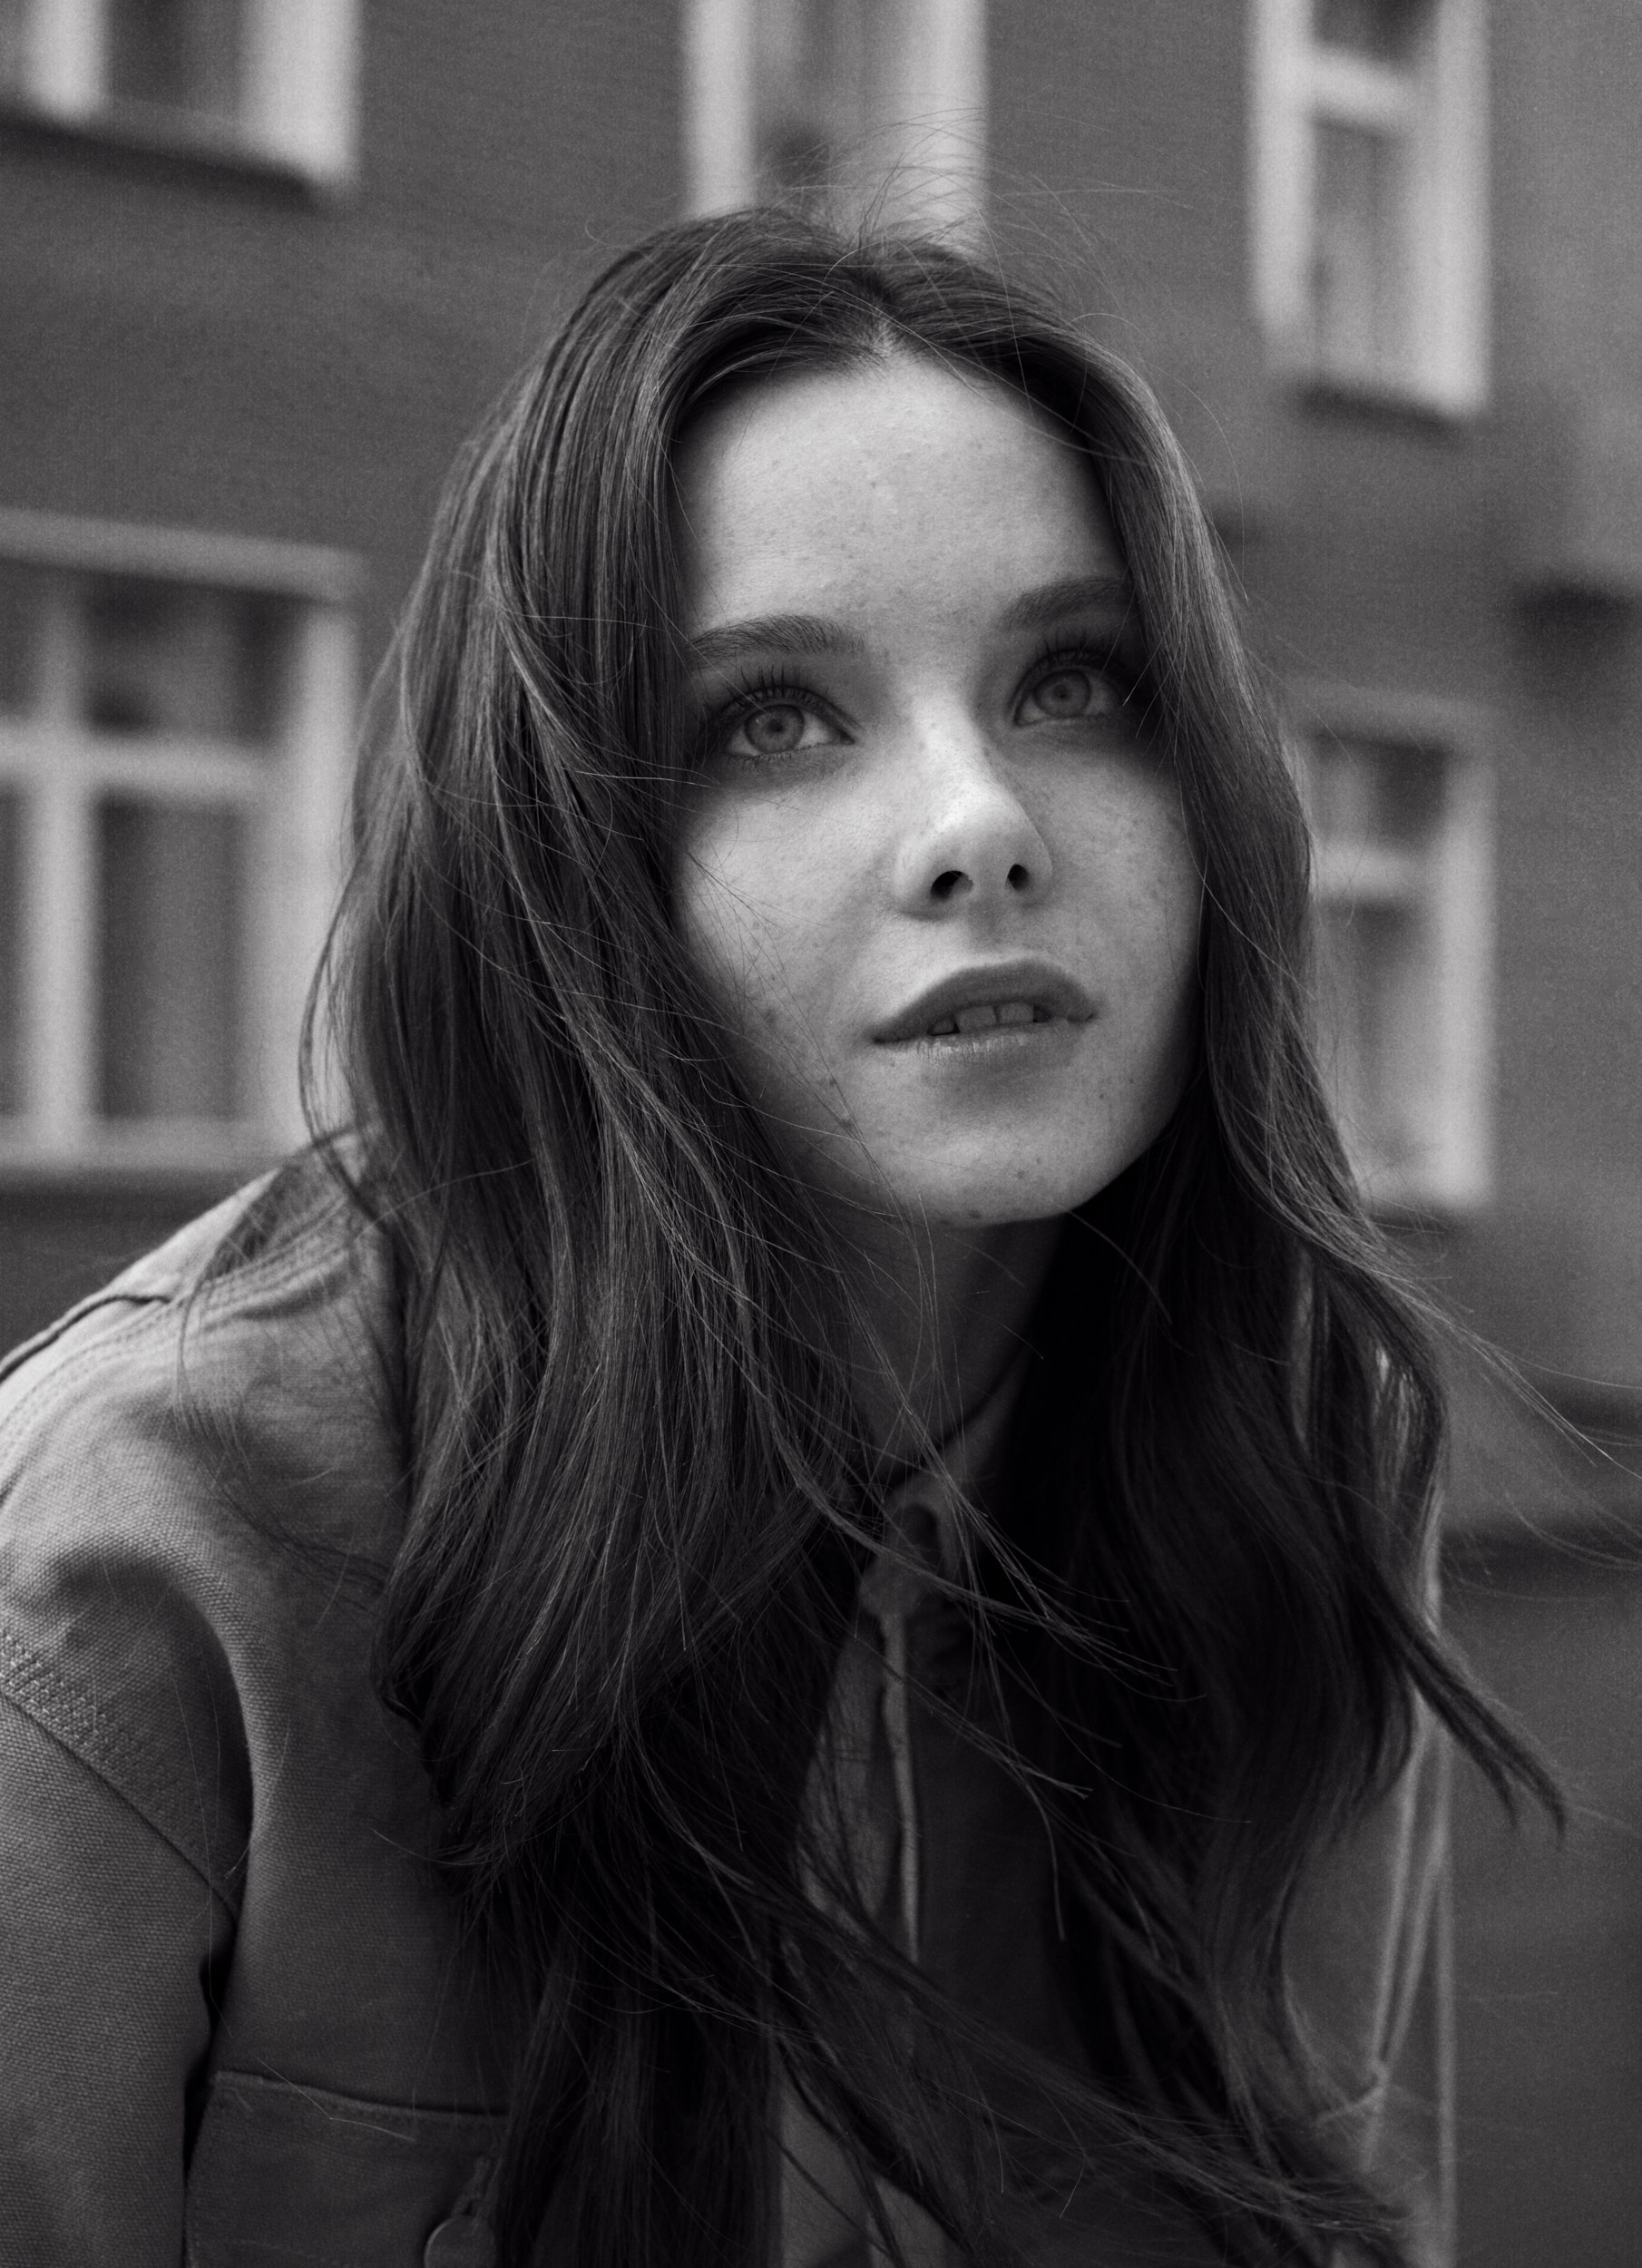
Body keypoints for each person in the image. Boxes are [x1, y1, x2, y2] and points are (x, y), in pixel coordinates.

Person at [0, 210, 1549, 2268]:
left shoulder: (1302, 1442)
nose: (978, 823)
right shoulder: (133, 1567)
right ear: (567, 863)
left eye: (1075, 682)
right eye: (770, 718)